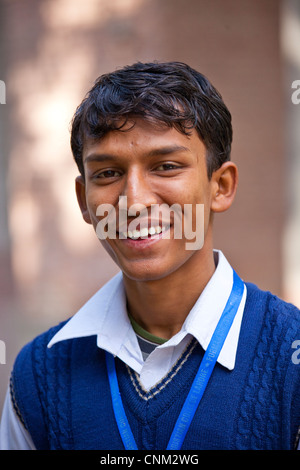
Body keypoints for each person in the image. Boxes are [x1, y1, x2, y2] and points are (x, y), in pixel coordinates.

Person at [0, 61, 299, 450]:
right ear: (84, 201)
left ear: (220, 187)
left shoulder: (290, 359)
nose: (135, 202)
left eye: (166, 166)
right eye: (107, 173)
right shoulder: (40, 374)